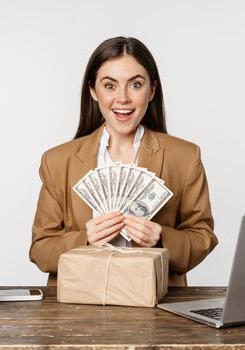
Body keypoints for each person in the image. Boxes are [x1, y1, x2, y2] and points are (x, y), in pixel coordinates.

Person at [29, 36, 218, 286]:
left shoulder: (184, 157)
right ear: (93, 91)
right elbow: (40, 250)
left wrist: (161, 238)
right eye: (110, 86)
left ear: (151, 90)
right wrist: (85, 239)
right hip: (80, 304)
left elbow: (203, 237)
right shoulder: (57, 161)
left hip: (156, 303)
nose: (123, 98)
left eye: (135, 85)